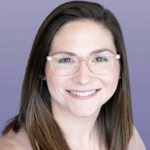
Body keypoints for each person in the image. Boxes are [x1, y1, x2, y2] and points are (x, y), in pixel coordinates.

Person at [0, 1, 146, 150]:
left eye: (100, 59)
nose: (83, 78)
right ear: (42, 69)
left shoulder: (128, 137)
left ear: (120, 68)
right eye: (66, 60)